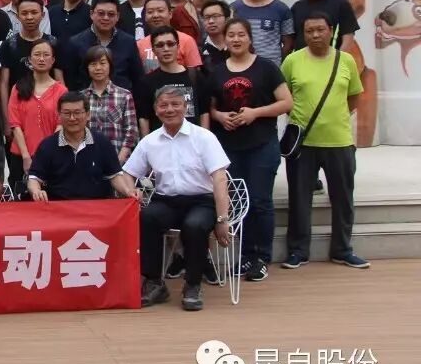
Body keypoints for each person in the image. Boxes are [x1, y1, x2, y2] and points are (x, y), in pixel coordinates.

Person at [118, 86, 231, 312]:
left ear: (185, 107)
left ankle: (192, 285)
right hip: (167, 200)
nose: (169, 109)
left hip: (201, 201)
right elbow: (127, 173)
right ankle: (154, 282)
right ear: (156, 110)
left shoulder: (204, 137)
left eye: (175, 104)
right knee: (147, 217)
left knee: (195, 225)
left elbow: (220, 178)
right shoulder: (150, 141)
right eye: (163, 105)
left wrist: (222, 219)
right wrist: (131, 191)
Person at [207, 17, 292, 282]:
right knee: (238, 203)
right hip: (229, 148)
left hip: (262, 145)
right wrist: (220, 116)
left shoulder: (266, 68)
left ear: (250, 38)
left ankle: (261, 257)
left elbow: (286, 102)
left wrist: (255, 112)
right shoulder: (217, 71)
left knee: (260, 201)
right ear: (225, 39)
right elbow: (210, 108)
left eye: (241, 34)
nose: (236, 39)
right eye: (231, 35)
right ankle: (244, 256)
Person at [282, 12, 368, 269]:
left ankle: (342, 250)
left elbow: (354, 96)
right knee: (299, 199)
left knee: (343, 198)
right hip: (303, 143)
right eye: (309, 31)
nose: (315, 35)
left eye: (320, 29)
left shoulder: (346, 60)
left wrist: (334, 118)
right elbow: (284, 98)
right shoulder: (292, 61)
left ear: (331, 30)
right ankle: (298, 251)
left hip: (339, 141)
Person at [28, 92, 133, 201]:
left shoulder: (102, 143)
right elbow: (34, 179)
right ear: (59, 115)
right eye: (67, 113)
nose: (72, 118)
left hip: (96, 206)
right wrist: (36, 191)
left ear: (88, 115)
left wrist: (128, 191)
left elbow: (115, 176)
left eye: (77, 113)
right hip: (59, 207)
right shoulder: (47, 145)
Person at [6, 39, 67, 193]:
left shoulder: (61, 91)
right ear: (29, 59)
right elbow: (15, 124)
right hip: (20, 155)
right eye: (37, 54)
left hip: (51, 156)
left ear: (53, 60)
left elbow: (61, 124)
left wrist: (48, 153)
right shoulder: (18, 88)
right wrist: (26, 156)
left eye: (46, 55)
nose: (41, 59)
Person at [0, 0, 60, 136]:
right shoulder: (9, 45)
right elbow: (4, 84)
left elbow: (59, 81)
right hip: (18, 109)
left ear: (42, 15)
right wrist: (6, 121)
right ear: (18, 16)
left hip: (48, 109)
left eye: (34, 12)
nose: (29, 17)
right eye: (24, 13)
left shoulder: (53, 43)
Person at [135, 26, 210, 135]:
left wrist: (204, 139)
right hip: (161, 141)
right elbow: (144, 118)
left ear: (178, 47)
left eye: (170, 44)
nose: (166, 49)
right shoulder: (146, 82)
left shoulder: (195, 77)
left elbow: (204, 113)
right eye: (160, 45)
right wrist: (147, 143)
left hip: (193, 140)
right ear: (153, 50)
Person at [64, 0, 143, 90]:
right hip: (86, 97)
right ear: (92, 14)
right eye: (101, 13)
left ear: (118, 16)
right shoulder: (76, 43)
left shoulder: (128, 42)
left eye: (111, 14)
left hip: (120, 97)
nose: (106, 18)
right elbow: (71, 80)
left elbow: (137, 79)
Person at [230, 0, 294, 66]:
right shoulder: (233, 9)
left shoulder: (281, 9)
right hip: (241, 67)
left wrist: (276, 63)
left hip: (272, 69)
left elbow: (288, 43)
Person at [81, 46, 139, 162]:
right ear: (87, 67)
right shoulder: (81, 97)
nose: (98, 68)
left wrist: (119, 160)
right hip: (87, 160)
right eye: (93, 64)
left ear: (110, 66)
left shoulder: (124, 95)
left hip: (118, 159)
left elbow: (131, 131)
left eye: (103, 63)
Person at [136, 0, 203, 74]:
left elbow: (195, 73)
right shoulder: (139, 45)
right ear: (145, 16)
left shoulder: (187, 40)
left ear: (170, 14)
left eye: (160, 11)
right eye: (150, 12)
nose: (155, 15)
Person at [198, 0, 232, 68]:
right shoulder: (198, 48)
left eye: (215, 16)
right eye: (206, 17)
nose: (211, 21)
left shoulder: (236, 44)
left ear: (227, 20)